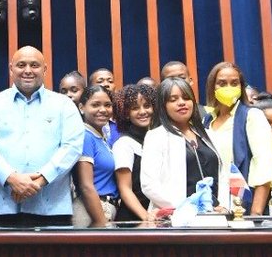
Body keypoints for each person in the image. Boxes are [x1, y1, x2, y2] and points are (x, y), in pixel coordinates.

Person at [0, 46, 85, 225]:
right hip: (2, 206)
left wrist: (39, 182)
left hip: (52, 207)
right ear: (11, 69)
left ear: (45, 69)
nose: (27, 70)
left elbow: (72, 147)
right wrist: (11, 178)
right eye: (21, 65)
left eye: (34, 65)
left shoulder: (64, 106)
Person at [202, 62, 272, 213]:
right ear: (212, 87)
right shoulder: (206, 121)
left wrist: (255, 214)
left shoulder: (252, 116)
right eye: (222, 83)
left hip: (242, 207)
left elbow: (265, 166)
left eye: (234, 83)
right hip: (213, 208)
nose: (229, 88)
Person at [141, 77, 228, 212]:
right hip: (175, 217)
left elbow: (223, 175)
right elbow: (149, 185)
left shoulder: (209, 134)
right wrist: (185, 207)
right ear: (163, 106)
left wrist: (223, 206)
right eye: (173, 99)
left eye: (186, 98)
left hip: (214, 214)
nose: (182, 103)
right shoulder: (156, 136)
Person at [72, 85, 118, 227]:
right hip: (91, 212)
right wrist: (100, 222)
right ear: (82, 108)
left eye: (107, 105)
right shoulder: (85, 136)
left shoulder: (101, 138)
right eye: (95, 105)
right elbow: (86, 186)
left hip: (105, 208)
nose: (103, 110)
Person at [113, 82, 156, 222]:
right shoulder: (124, 144)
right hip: (133, 219)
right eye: (135, 108)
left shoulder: (155, 139)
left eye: (147, 106)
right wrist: (146, 217)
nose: (143, 111)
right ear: (126, 114)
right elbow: (125, 189)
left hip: (156, 216)